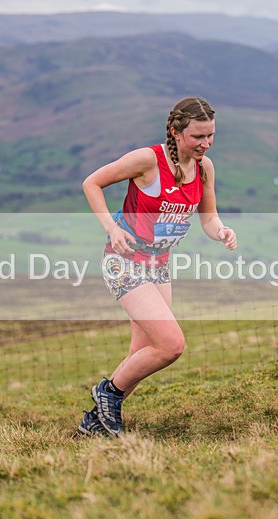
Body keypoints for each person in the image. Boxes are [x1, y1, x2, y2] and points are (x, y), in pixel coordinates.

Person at [78, 96, 237, 437]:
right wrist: (112, 228)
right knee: (170, 345)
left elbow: (208, 218)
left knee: (141, 352)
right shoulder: (147, 160)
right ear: (176, 132)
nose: (206, 144)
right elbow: (91, 183)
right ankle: (107, 392)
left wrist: (221, 231)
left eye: (210, 135)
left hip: (159, 266)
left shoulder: (205, 168)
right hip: (125, 261)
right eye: (197, 136)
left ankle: (94, 423)